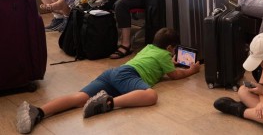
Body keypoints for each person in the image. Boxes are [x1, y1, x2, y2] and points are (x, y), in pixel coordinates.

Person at [16, 27, 201, 134]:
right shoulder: (164, 56)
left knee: (79, 97)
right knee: (151, 95)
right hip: (129, 76)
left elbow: (156, 64)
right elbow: (176, 75)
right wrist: (192, 70)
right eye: (173, 50)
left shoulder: (149, 48)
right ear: (170, 48)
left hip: (113, 73)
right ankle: (108, 103)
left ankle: (38, 111)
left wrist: (169, 61)